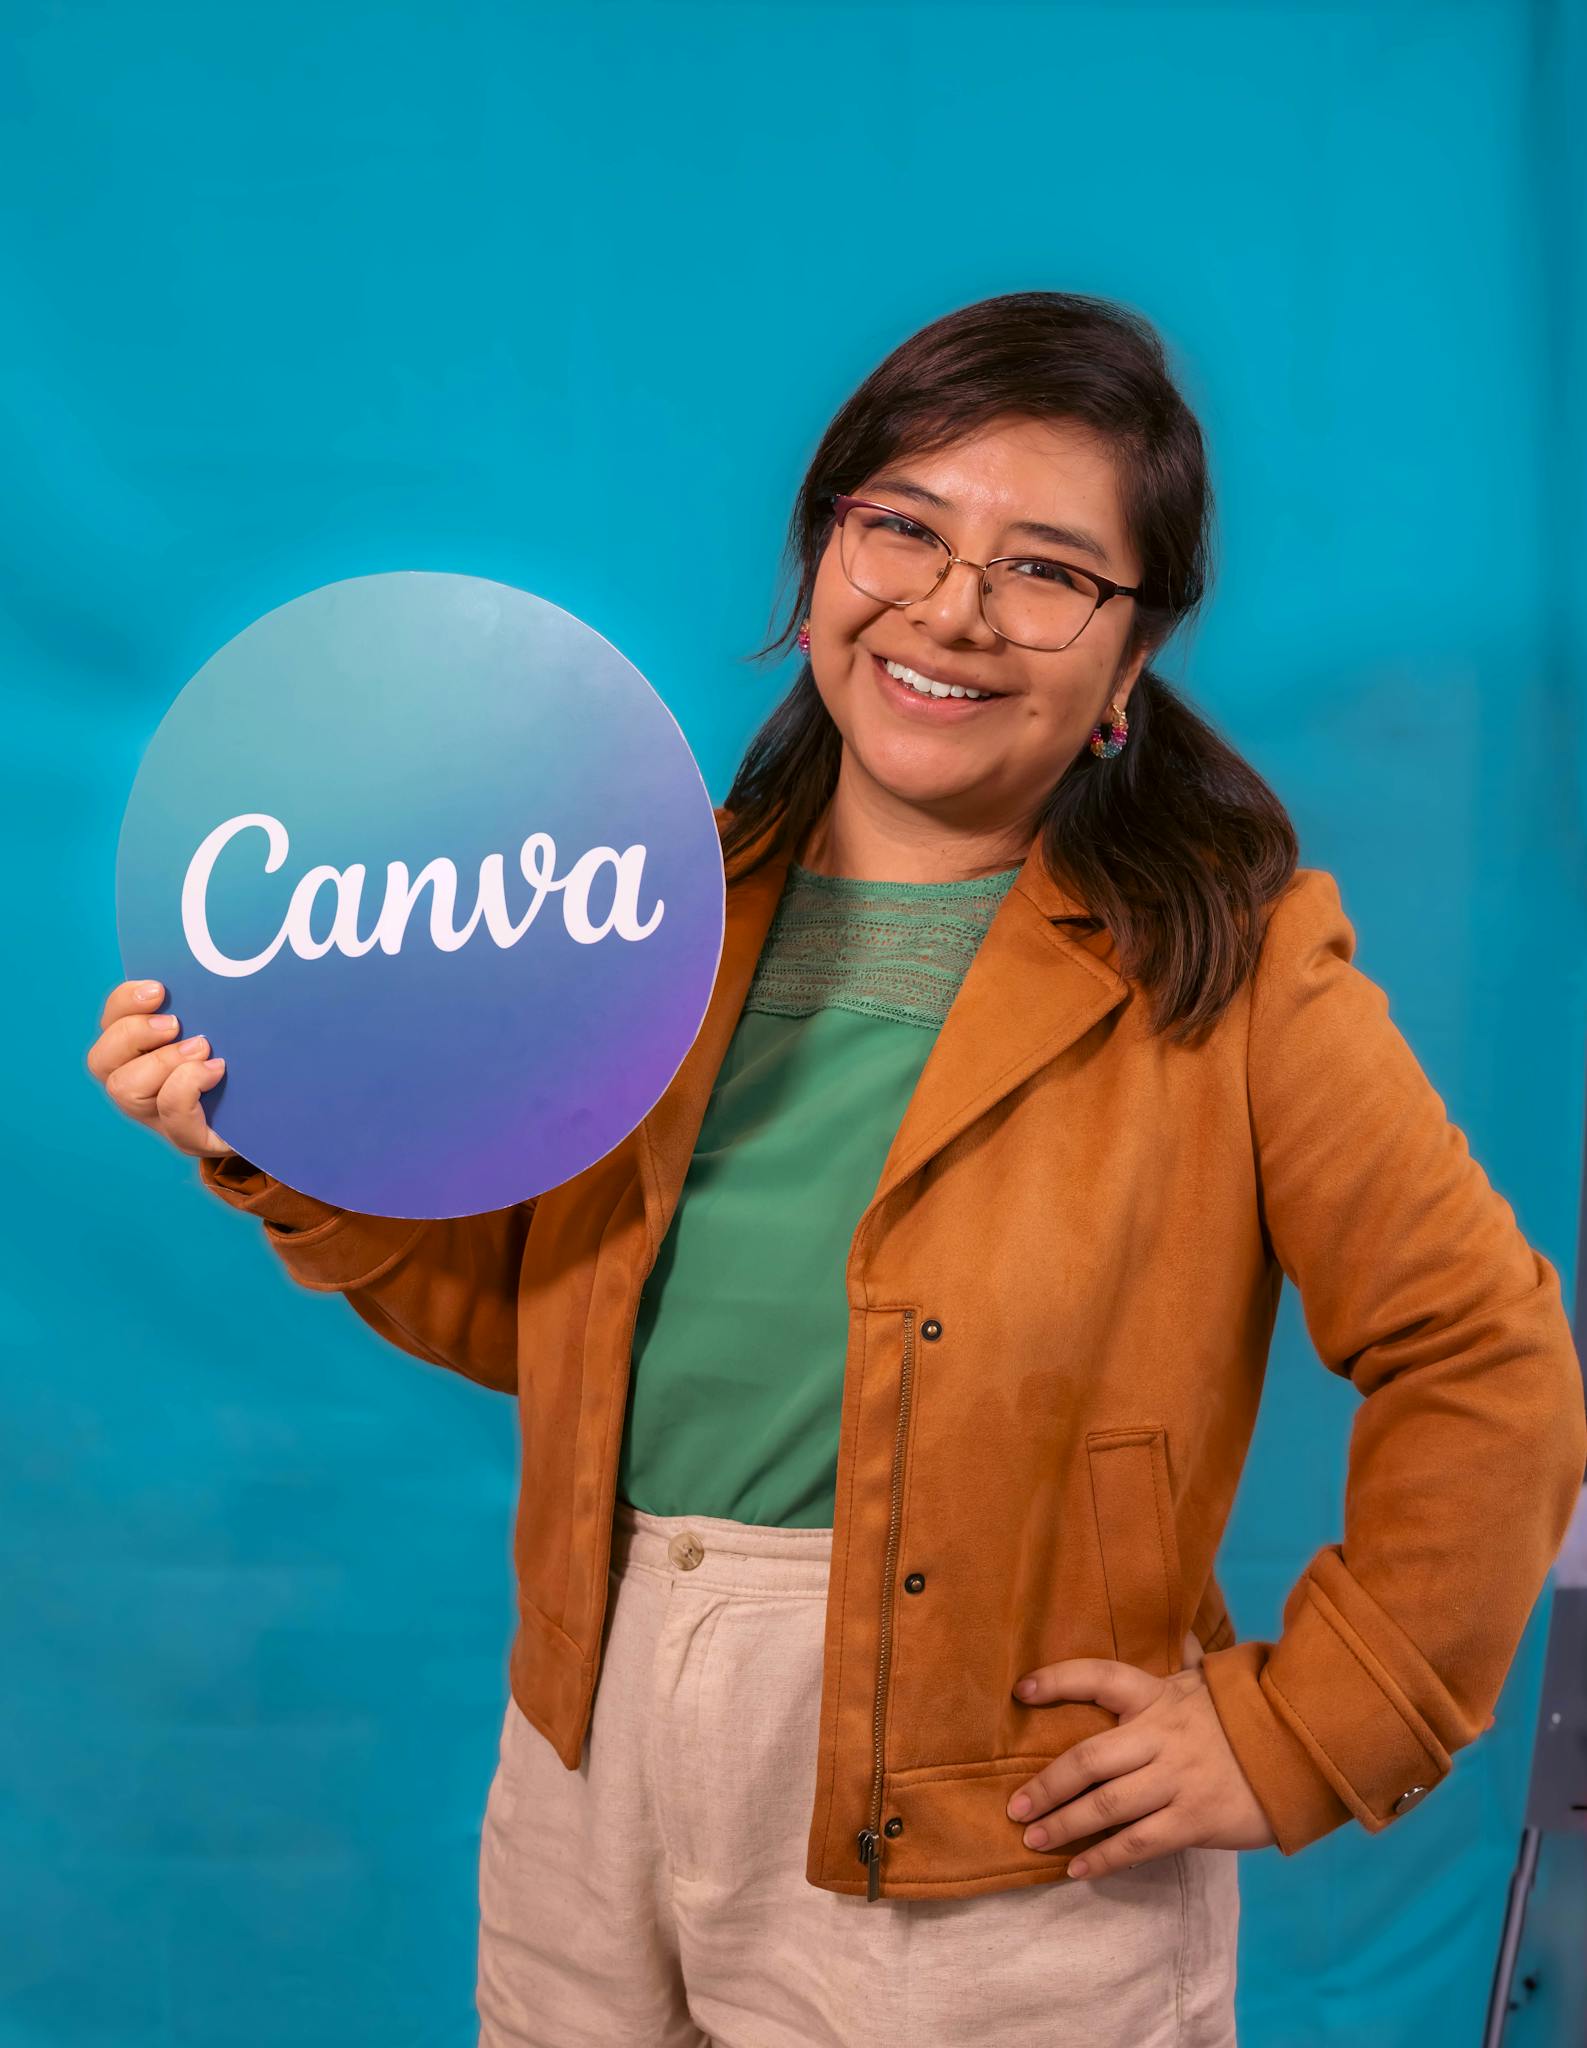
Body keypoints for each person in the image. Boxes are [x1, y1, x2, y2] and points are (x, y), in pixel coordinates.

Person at [88, 290, 1587, 2048]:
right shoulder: (652, 905)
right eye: (904, 527)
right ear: (822, 555)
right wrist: (291, 1150)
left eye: (1047, 569)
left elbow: (1486, 1361)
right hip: (588, 1762)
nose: (952, 608)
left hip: (990, 1843)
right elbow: (536, 1315)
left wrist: (1309, 1723)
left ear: (1134, 649)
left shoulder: (1231, 965)